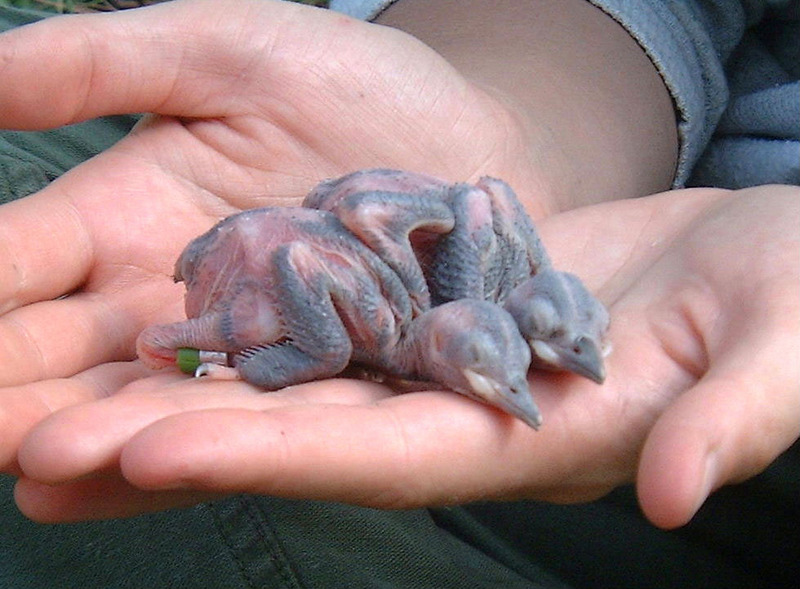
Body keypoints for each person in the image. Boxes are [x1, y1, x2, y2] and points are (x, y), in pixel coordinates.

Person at [0, 0, 797, 587]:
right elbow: (474, 199)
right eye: (538, 336)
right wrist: (529, 124)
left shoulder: (401, 305)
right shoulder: (386, 301)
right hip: (285, 263)